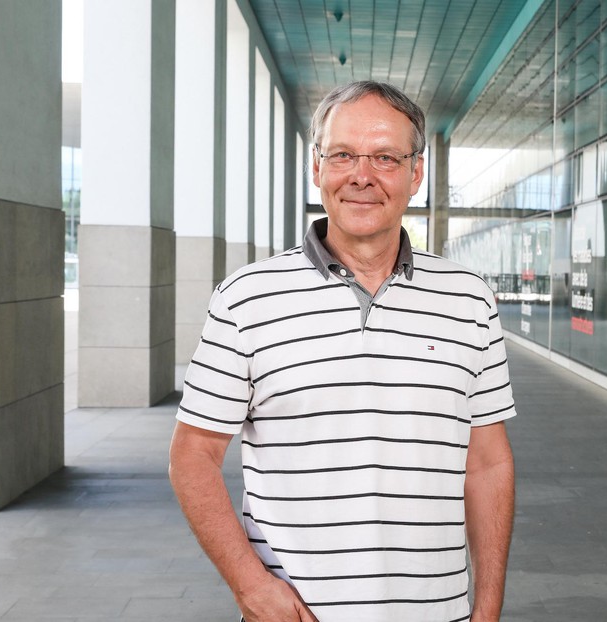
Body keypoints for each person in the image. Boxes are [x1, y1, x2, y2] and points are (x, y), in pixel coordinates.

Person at [169, 80, 516, 622]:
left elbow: (488, 461)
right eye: (344, 155)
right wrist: (250, 588)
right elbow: (193, 454)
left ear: (416, 173)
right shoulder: (247, 298)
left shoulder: (469, 300)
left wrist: (488, 606)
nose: (362, 176)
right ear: (317, 166)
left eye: (385, 157)